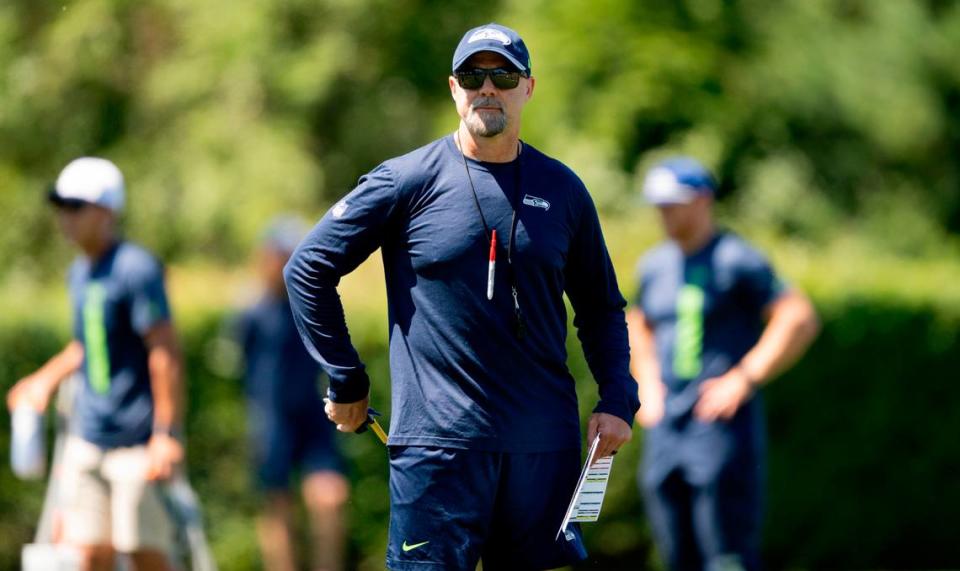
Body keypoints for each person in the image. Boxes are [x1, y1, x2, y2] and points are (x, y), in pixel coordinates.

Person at [283, 22, 639, 571]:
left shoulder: (563, 188)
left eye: (502, 75)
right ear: (454, 88)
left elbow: (600, 307)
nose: (487, 88)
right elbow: (307, 268)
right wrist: (347, 377)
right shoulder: (406, 180)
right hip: (437, 451)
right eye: (474, 75)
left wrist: (618, 397)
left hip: (543, 449)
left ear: (528, 87)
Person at [627, 157, 820, 571]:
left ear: (703, 200)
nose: (664, 213)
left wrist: (744, 378)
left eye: (673, 203)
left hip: (720, 431)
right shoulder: (654, 265)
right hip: (666, 431)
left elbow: (798, 316)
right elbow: (637, 323)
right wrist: (646, 384)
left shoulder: (737, 259)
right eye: (658, 204)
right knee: (675, 555)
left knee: (726, 558)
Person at [6, 157, 184, 571]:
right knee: (87, 553)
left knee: (145, 553)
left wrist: (166, 433)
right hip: (89, 437)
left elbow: (164, 352)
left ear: (106, 212)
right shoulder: (80, 273)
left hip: (137, 439)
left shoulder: (135, 268)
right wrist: (42, 381)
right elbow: (86, 345)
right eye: (61, 208)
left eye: (75, 207)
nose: (65, 218)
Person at [231, 217, 349, 571]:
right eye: (281, 254)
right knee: (277, 509)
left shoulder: (313, 305)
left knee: (330, 499)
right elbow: (245, 367)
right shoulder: (251, 311)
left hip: (313, 415)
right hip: (271, 418)